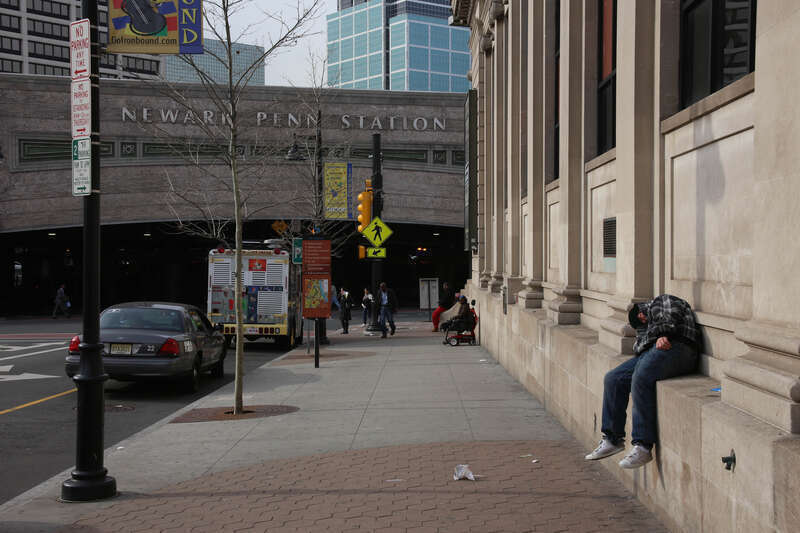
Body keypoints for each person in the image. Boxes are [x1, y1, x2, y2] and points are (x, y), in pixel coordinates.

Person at [585, 294, 699, 468]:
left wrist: (663, 334)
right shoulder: (645, 328)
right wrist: (653, 339)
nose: (643, 321)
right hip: (655, 350)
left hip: (679, 346)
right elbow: (640, 347)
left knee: (641, 376)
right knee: (613, 379)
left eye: (641, 318)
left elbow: (670, 313)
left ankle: (643, 445)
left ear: (640, 312)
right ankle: (612, 439)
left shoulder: (661, 301)